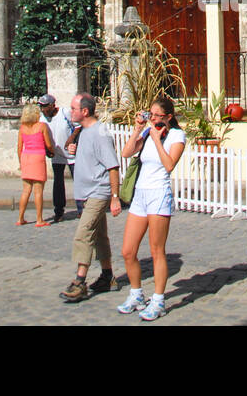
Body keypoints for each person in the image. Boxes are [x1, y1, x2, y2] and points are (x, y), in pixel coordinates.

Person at [117, 96, 187, 321]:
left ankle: (158, 300)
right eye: (151, 114)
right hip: (141, 194)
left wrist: (158, 139)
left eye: (157, 115)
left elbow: (169, 165)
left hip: (159, 194)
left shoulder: (177, 135)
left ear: (168, 117)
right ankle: (136, 294)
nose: (153, 118)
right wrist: (138, 130)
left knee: (157, 250)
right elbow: (127, 153)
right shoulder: (147, 132)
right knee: (128, 250)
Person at [60, 93, 120, 303]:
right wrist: (73, 148)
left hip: (98, 191)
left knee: (84, 233)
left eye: (74, 109)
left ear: (85, 111)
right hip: (86, 193)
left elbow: (113, 166)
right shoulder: (83, 131)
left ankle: (79, 282)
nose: (70, 112)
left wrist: (114, 197)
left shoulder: (99, 133)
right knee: (99, 236)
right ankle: (107, 276)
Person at [15, 101, 55, 227]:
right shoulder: (41, 126)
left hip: (26, 157)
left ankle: (20, 218)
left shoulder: (22, 128)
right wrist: (53, 151)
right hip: (38, 157)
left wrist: (21, 162)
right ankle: (39, 219)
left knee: (26, 190)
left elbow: (19, 147)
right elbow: (48, 144)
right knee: (38, 191)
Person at [41, 94, 74, 223]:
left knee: (78, 180)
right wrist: (47, 150)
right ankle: (59, 211)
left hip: (72, 154)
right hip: (56, 154)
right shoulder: (42, 119)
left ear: (52, 105)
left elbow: (77, 126)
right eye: (41, 106)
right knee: (58, 183)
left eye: (45, 106)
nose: (43, 109)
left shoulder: (65, 113)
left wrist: (71, 140)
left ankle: (81, 208)